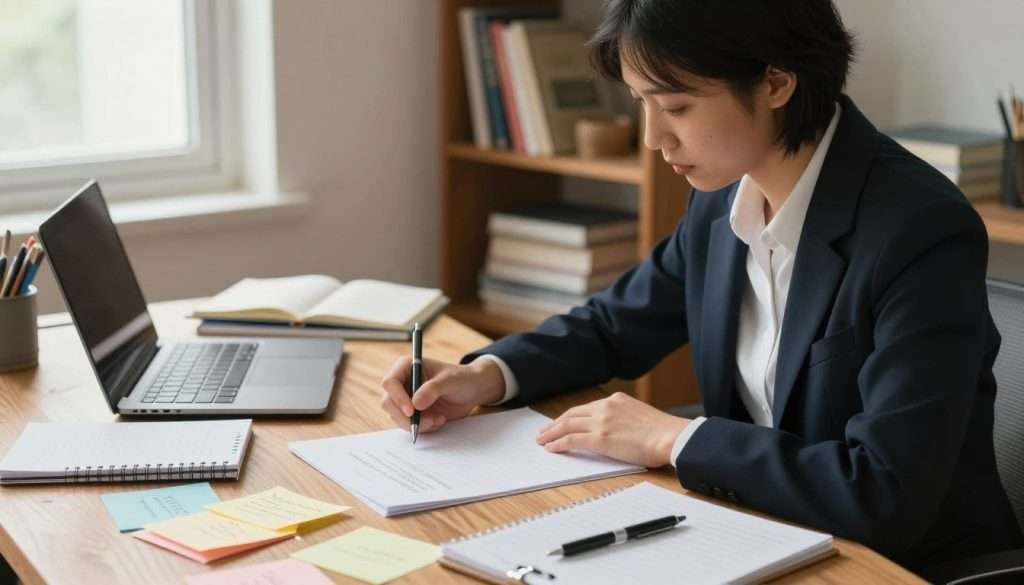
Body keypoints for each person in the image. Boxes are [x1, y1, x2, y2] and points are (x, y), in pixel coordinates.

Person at [380, 0, 1022, 571]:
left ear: (775, 82)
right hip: (758, 533)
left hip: (898, 565)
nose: (654, 138)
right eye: (643, 106)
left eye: (676, 107)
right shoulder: (722, 200)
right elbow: (614, 324)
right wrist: (488, 375)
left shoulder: (919, 229)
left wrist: (673, 437)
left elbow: (884, 491)